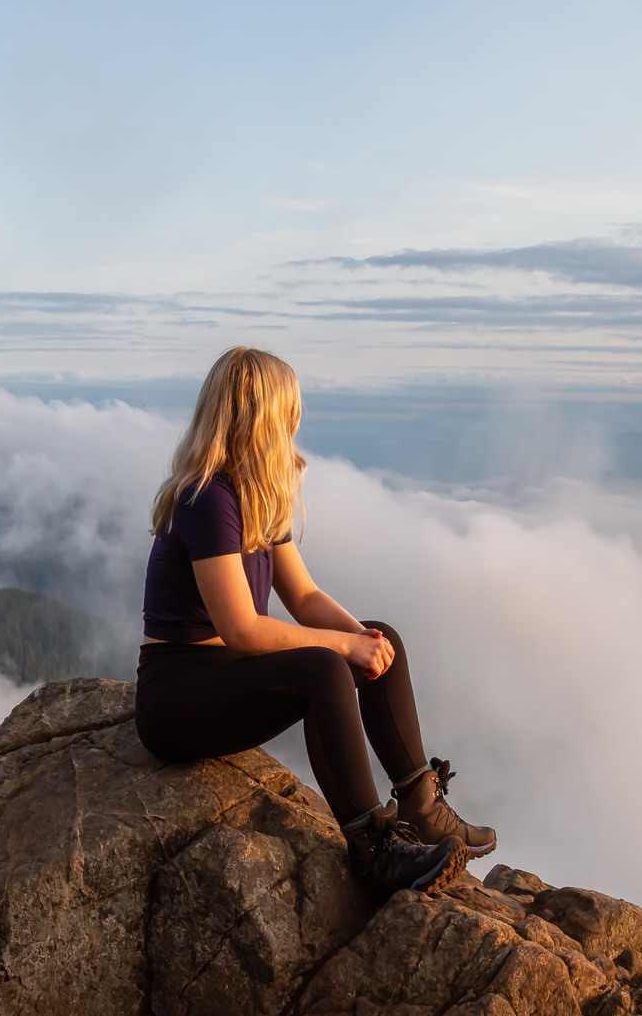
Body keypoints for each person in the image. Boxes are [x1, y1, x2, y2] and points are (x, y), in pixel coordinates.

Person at [133, 346, 496, 894]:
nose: (297, 424)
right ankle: (374, 855)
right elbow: (242, 629)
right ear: (265, 418)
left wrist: (362, 642)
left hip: (221, 676)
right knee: (326, 667)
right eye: (291, 413)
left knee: (376, 637)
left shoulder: (253, 494)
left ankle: (421, 807)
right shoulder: (206, 499)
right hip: (176, 699)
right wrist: (342, 652)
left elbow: (303, 596)